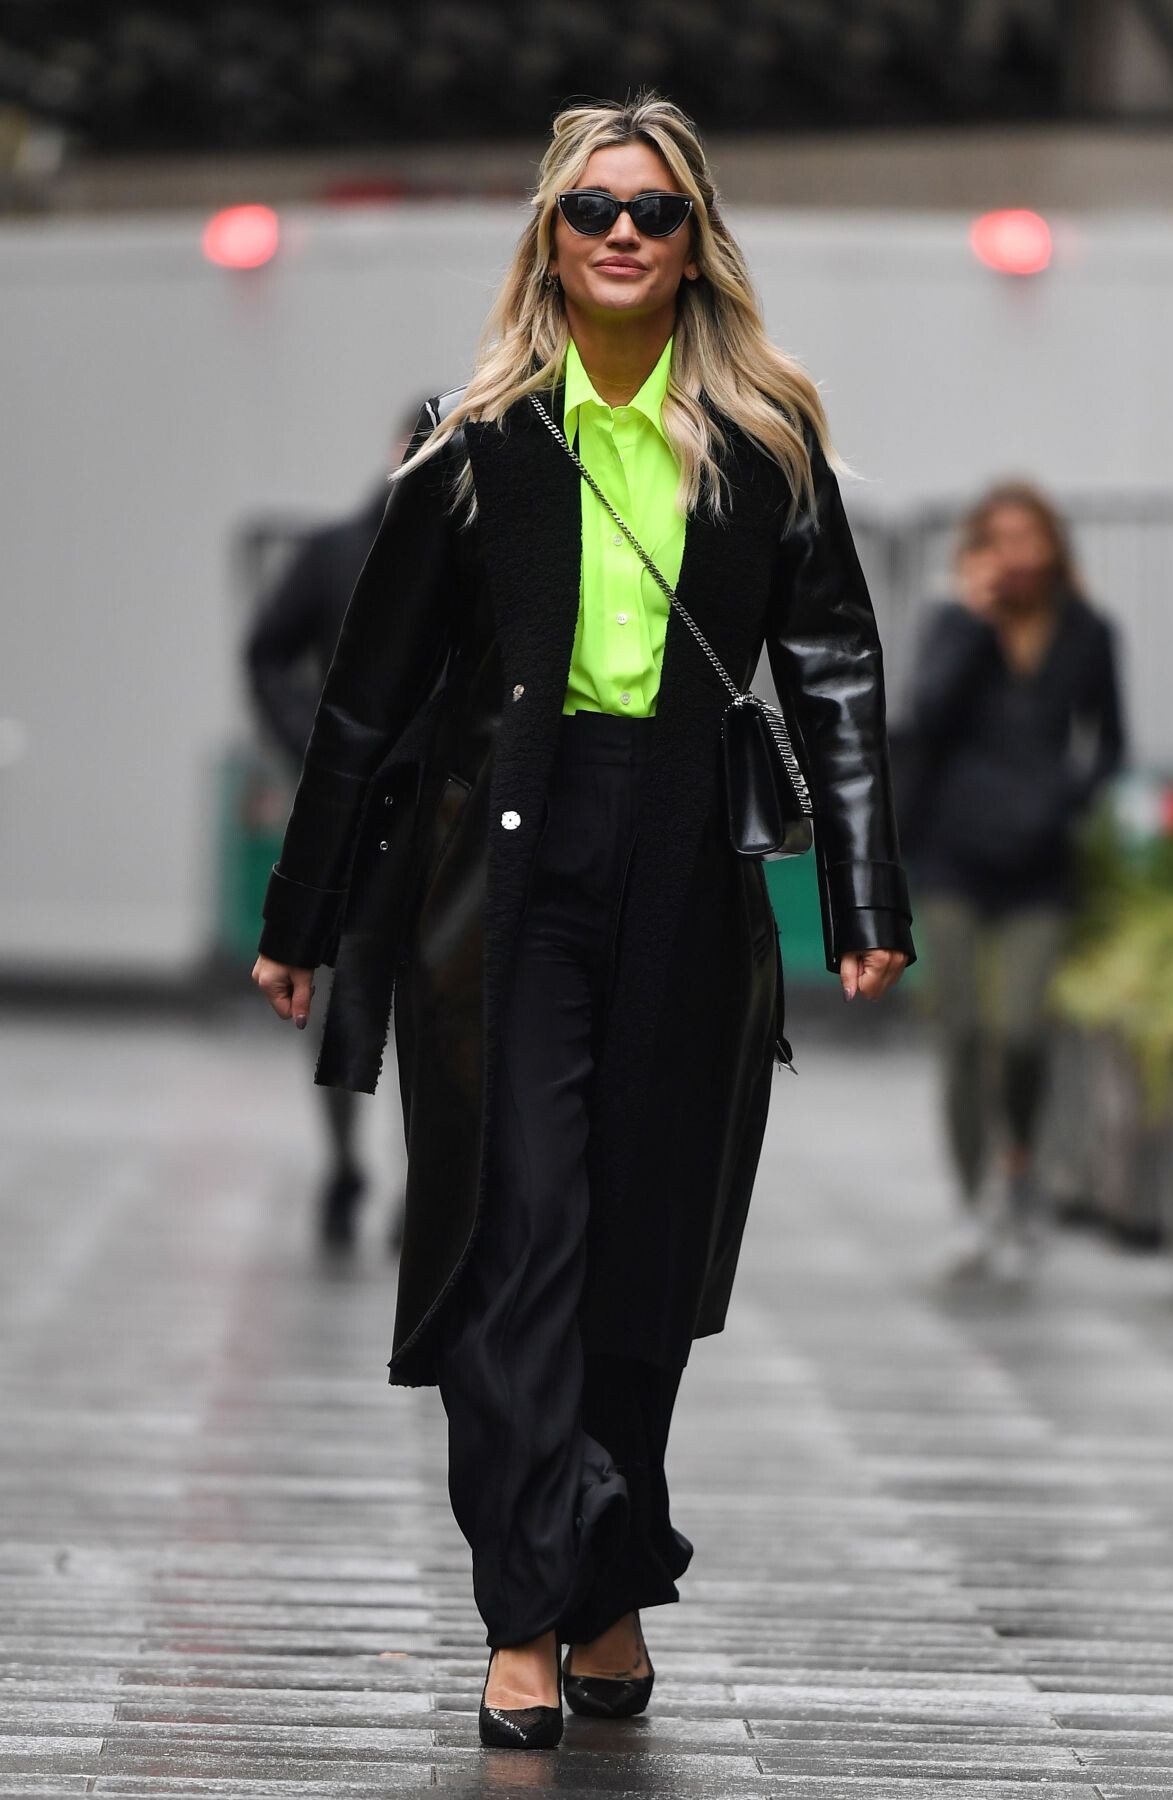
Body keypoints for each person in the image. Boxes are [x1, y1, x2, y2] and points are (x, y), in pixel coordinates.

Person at [251, 89, 915, 1750]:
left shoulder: (766, 444)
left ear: (697, 246)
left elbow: (835, 670)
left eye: (656, 210)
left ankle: (606, 1566)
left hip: (687, 867)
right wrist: (303, 913)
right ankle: (528, 1614)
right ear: (547, 241)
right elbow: (365, 699)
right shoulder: (475, 446)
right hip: (503, 878)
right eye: (593, 208)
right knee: (521, 1234)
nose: (624, 231)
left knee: (643, 1252)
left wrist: (861, 889)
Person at [905, 481, 1125, 1285]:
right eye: (998, 539)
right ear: (976, 551)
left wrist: (1065, 798)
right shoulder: (953, 625)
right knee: (962, 1032)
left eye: (1029, 538)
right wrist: (971, 622)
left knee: (1023, 1031)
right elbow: (924, 716)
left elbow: (1110, 741)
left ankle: (1022, 1162)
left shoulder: (1087, 631)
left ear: (1054, 546)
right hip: (954, 855)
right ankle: (972, 1207)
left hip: (1039, 862)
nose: (1016, 554)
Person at [244, 414, 420, 1251]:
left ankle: (417, 1182)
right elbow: (267, 653)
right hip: (351, 804)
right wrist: (306, 741)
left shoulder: (484, 555)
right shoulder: (335, 552)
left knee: (435, 1006)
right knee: (341, 999)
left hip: (439, 805)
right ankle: (348, 1161)